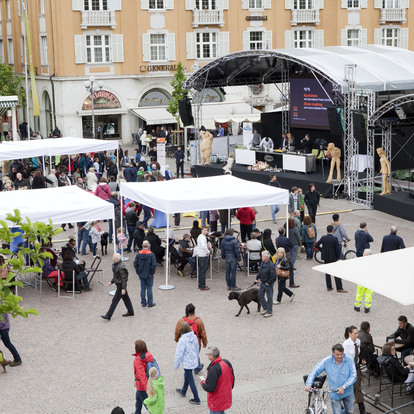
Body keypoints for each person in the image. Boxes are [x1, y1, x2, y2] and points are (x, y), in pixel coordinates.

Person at [305, 344, 357, 414]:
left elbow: (354, 376)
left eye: (341, 354)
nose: (340, 356)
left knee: (350, 412)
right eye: (337, 354)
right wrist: (308, 384)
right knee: (337, 412)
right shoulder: (326, 361)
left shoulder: (349, 359)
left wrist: (344, 387)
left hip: (348, 392)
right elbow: (314, 371)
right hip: (334, 393)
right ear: (333, 353)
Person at [174, 303, 208, 375]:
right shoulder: (198, 321)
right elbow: (203, 333)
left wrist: (177, 339)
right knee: (196, 355)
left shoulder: (181, 321)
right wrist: (205, 342)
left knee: (186, 356)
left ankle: (188, 368)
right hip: (196, 343)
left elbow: (177, 331)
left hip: (185, 344)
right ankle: (197, 368)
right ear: (194, 311)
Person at [200, 346, 235, 413]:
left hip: (216, 400)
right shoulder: (226, 362)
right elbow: (232, 378)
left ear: (212, 356)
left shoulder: (214, 369)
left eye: (208, 354)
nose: (207, 356)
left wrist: (203, 382)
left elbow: (210, 388)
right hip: (225, 396)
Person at [343, 326, 369, 414]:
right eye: (355, 333)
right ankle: (344, 405)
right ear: (350, 334)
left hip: (357, 367)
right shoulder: (346, 344)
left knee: (357, 387)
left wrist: (362, 359)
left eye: (357, 333)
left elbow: (359, 353)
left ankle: (362, 410)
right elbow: (344, 358)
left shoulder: (358, 341)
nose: (357, 335)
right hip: (349, 368)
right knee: (350, 387)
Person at [101, 253, 134, 320]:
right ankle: (131, 311)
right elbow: (117, 276)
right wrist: (111, 281)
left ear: (116, 259)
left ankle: (108, 315)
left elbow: (124, 278)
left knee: (114, 301)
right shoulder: (117, 265)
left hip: (120, 286)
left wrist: (123, 288)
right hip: (120, 285)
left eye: (113, 257)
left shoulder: (121, 267)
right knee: (126, 298)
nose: (112, 258)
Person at [174, 322, 201, 405]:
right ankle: (183, 391)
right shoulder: (194, 337)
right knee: (187, 376)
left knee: (190, 379)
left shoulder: (182, 340)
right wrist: (197, 359)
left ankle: (197, 399)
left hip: (187, 363)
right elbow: (197, 349)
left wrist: (176, 365)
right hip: (193, 361)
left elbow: (179, 354)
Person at [315, 225, 347, 293]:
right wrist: (338, 257)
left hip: (326, 256)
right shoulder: (334, 238)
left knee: (327, 272)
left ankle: (329, 286)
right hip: (333, 257)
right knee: (336, 272)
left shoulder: (323, 238)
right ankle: (339, 287)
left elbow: (316, 245)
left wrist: (322, 250)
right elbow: (336, 249)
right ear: (332, 230)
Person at [133, 340, 155, 414]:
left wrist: (147, 389)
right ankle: (137, 412)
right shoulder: (148, 355)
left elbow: (142, 376)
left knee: (147, 404)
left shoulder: (138, 360)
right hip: (146, 382)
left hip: (141, 385)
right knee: (138, 398)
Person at [134, 241, 157, 307]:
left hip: (141, 273)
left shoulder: (138, 254)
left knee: (142, 288)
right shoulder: (151, 254)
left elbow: (135, 264)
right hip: (149, 274)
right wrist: (151, 273)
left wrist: (138, 271)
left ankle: (143, 302)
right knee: (149, 288)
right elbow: (153, 265)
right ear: (148, 246)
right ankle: (150, 302)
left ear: (142, 245)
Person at [255, 251, 277, 318]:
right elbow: (260, 272)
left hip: (268, 284)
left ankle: (270, 311)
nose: (261, 257)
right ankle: (265, 307)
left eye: (262, 256)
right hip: (262, 282)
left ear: (266, 257)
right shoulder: (262, 263)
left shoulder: (271, 265)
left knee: (269, 298)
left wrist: (269, 282)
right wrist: (257, 278)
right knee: (260, 295)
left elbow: (273, 276)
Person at [354, 249, 374, 313]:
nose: (363, 253)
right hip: (370, 280)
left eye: (364, 253)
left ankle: (357, 306)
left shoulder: (362, 261)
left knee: (359, 293)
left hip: (362, 280)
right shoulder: (373, 262)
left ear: (366, 254)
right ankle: (367, 307)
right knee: (368, 294)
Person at [193, 226, 210, 291]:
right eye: (205, 230)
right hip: (203, 255)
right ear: (201, 230)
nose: (206, 231)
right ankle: (202, 285)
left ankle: (201, 284)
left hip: (200, 254)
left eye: (206, 230)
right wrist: (208, 251)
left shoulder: (200, 236)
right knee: (203, 271)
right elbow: (203, 246)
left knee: (201, 271)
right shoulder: (203, 237)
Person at [285, 218, 301, 288]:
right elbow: (298, 237)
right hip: (294, 244)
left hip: (288, 245)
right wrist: (300, 243)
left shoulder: (286, 229)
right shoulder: (295, 229)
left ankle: (290, 266)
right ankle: (291, 267)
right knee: (293, 257)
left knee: (289, 256)